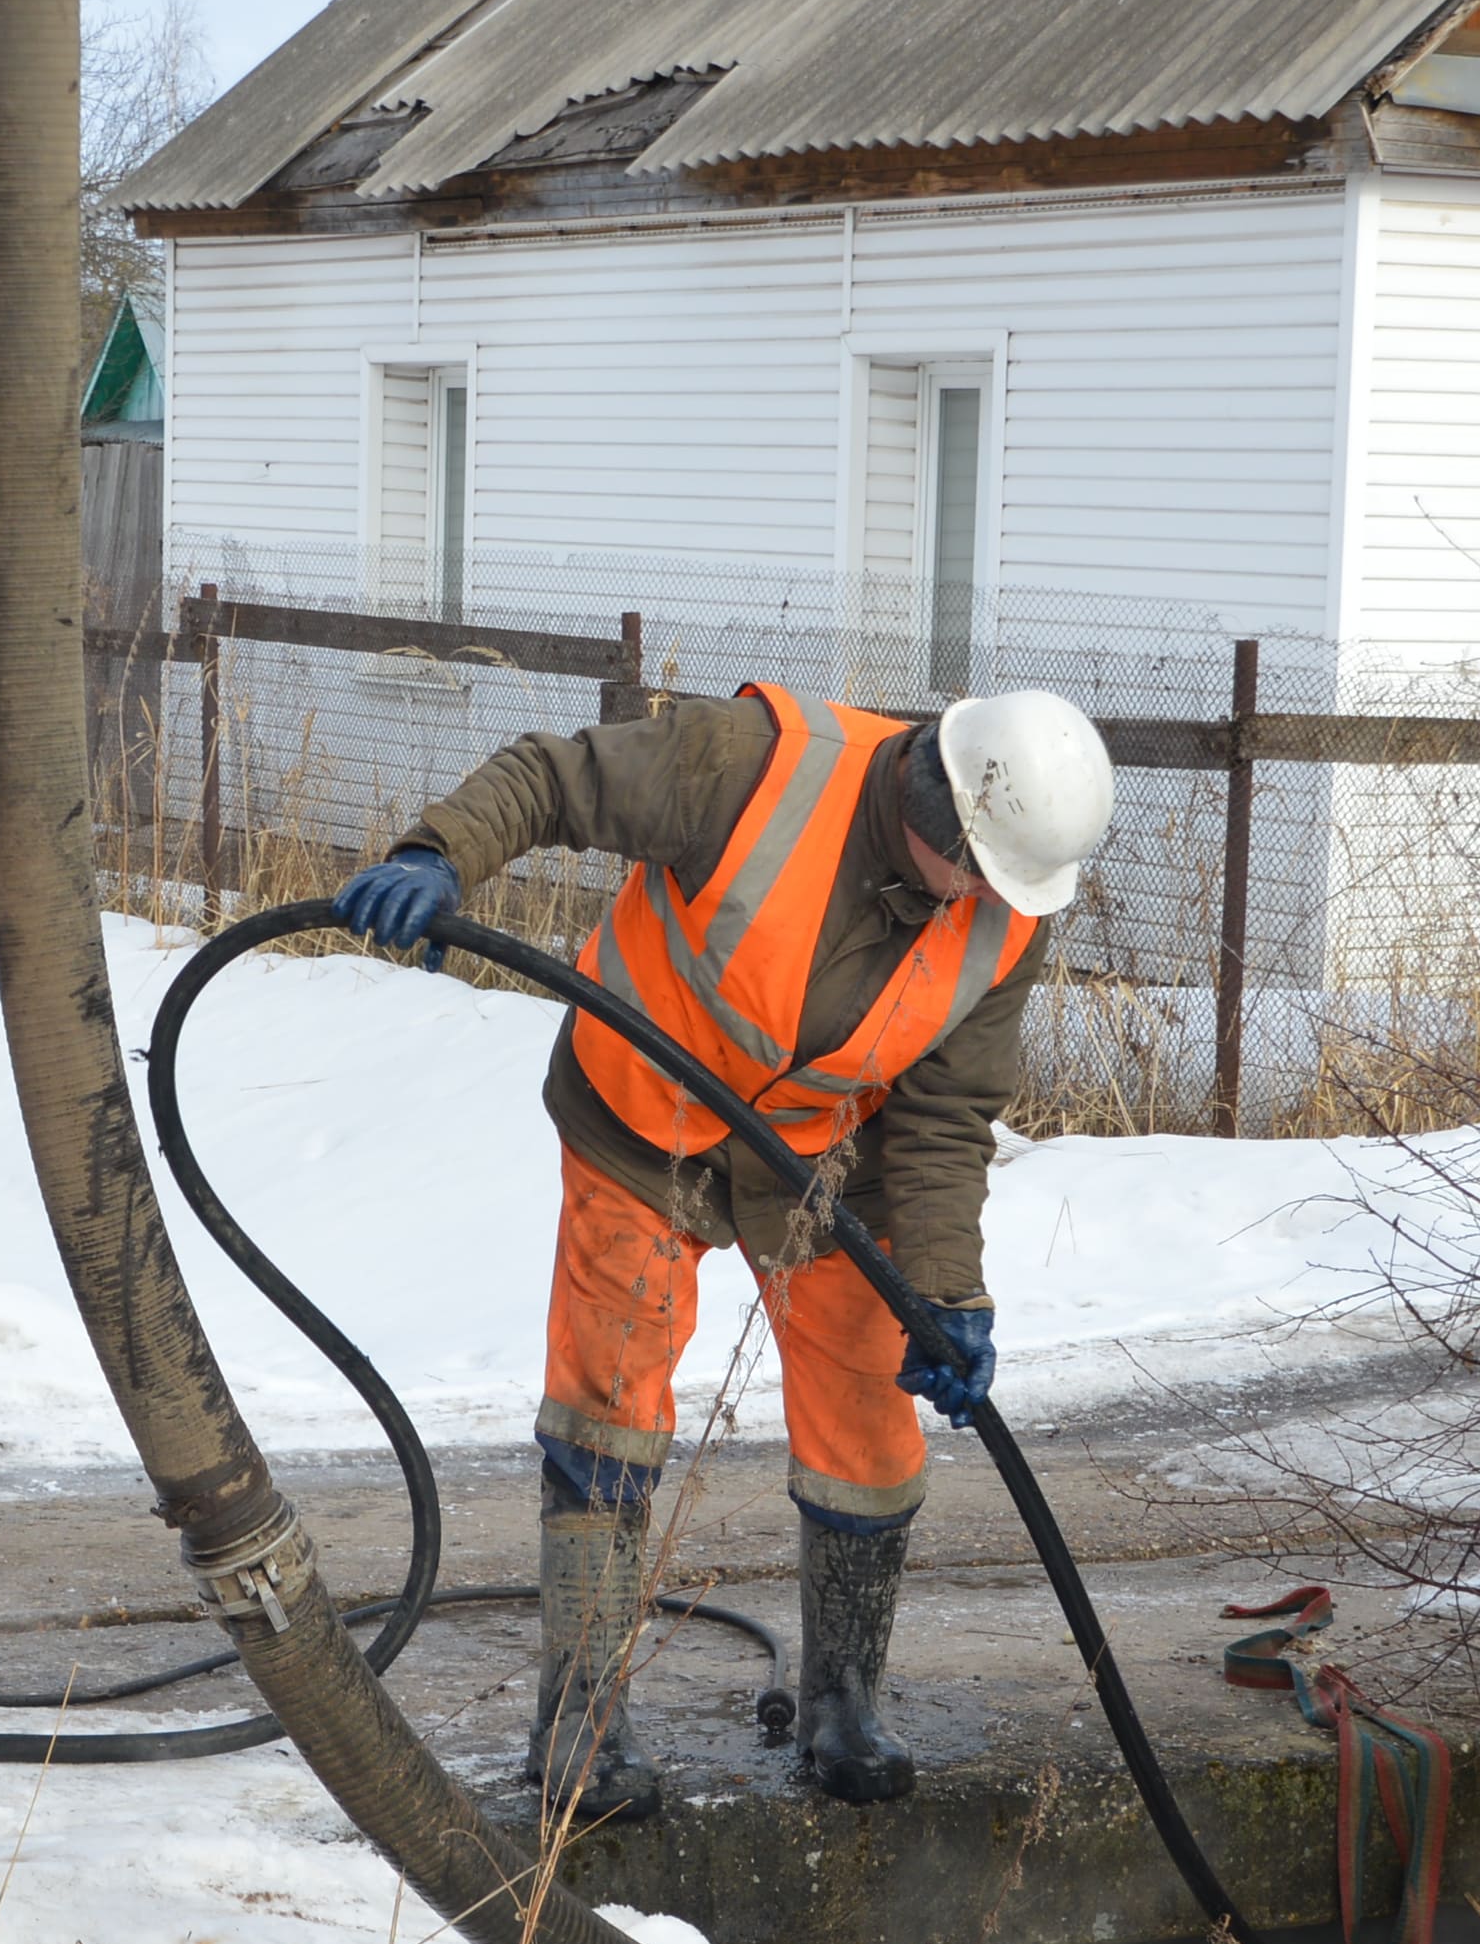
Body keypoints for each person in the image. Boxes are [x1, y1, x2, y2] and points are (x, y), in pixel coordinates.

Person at [335, 681, 1116, 1821]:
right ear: (943, 818)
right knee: (610, 1398)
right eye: (982, 875)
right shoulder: (756, 766)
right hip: (640, 1119)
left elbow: (944, 1120)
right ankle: (581, 1719)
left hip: (814, 1163)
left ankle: (842, 1700)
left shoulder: (1003, 919)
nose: (990, 903)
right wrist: (440, 854)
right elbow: (554, 777)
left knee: (868, 1412)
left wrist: (946, 1293)